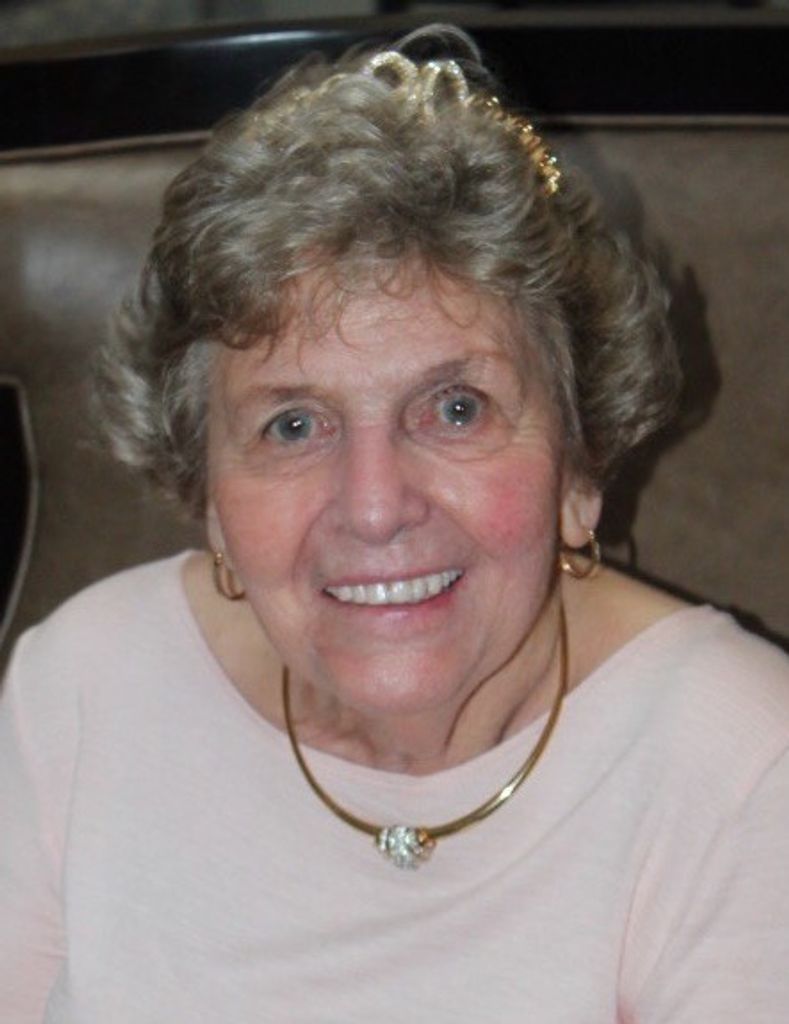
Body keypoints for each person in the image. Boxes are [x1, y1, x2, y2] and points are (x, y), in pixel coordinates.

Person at [1, 24, 788, 1023]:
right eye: (293, 424)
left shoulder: (741, 771)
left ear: (580, 469)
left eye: (455, 408)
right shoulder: (82, 688)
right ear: (206, 497)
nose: (374, 507)